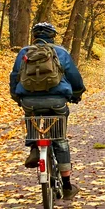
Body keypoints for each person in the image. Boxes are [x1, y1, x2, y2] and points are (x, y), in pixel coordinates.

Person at [9, 22, 85, 199]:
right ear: (52, 36)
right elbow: (74, 76)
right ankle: (67, 185)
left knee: (32, 119)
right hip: (57, 101)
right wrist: (77, 93)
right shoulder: (60, 52)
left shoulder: (24, 52)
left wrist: (17, 97)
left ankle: (34, 147)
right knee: (60, 139)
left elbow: (15, 76)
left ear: (34, 36)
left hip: (29, 101)